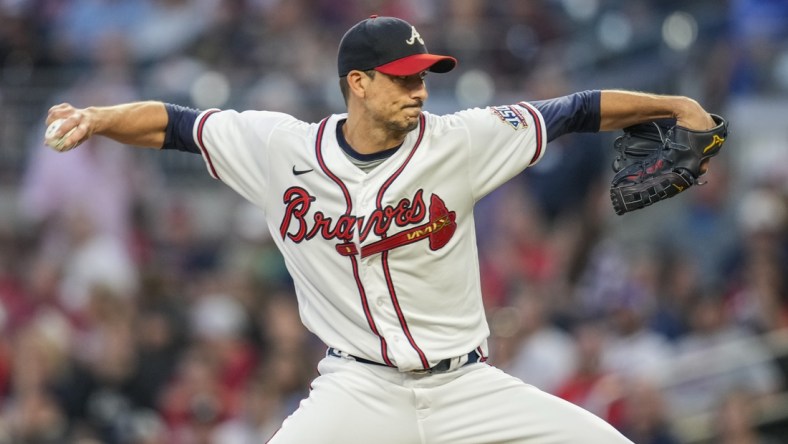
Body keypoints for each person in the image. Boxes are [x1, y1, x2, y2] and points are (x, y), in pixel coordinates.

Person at [44, 15, 718, 444]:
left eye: (424, 77)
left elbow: (575, 109)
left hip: (467, 388)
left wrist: (674, 104)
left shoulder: (462, 139)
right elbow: (176, 124)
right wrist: (100, 118)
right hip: (357, 390)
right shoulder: (281, 149)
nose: (419, 91)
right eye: (402, 79)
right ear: (358, 84)